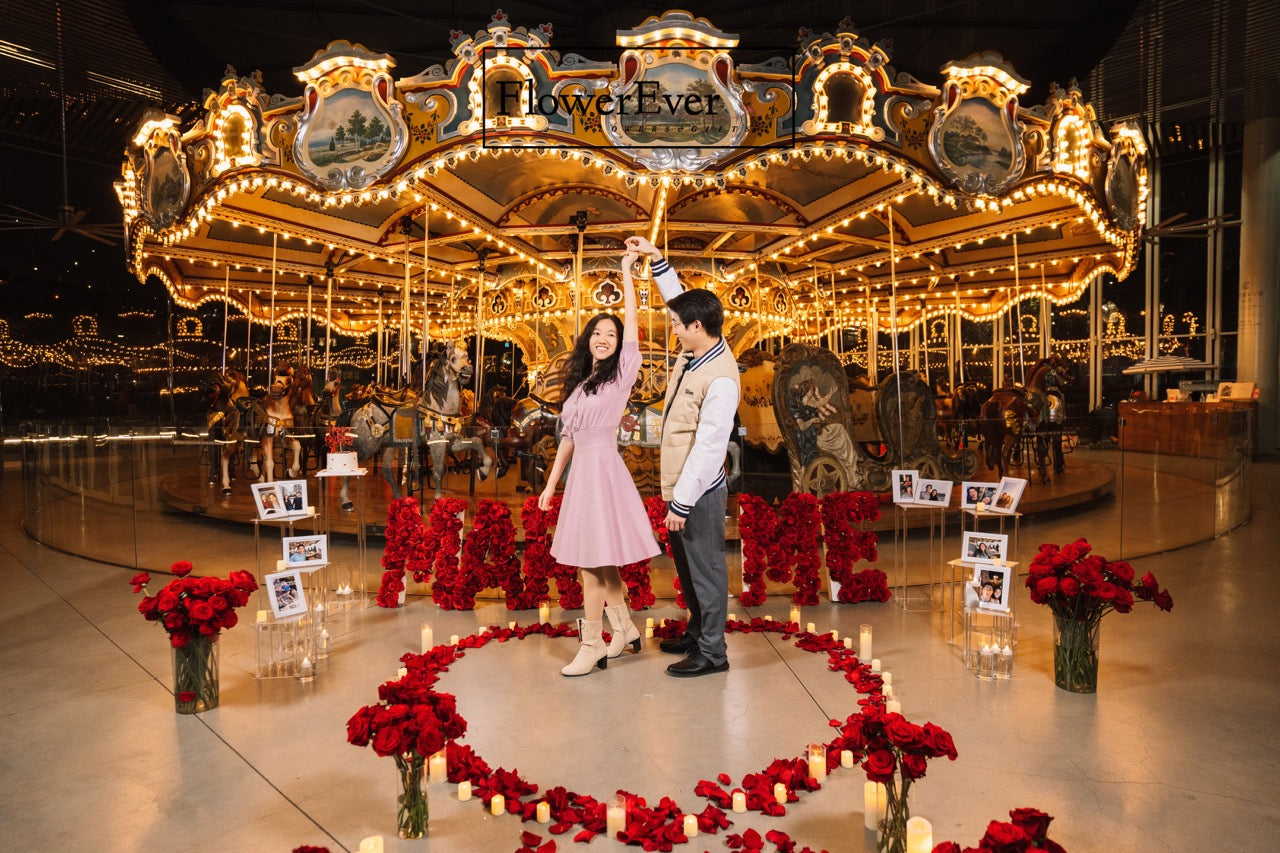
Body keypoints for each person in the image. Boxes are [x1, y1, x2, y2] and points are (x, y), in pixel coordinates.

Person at [539, 251, 661, 677]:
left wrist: (627, 273)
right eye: (598, 332)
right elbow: (568, 437)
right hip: (581, 477)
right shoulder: (581, 384)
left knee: (590, 562)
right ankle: (624, 628)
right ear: (588, 338)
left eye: (611, 333)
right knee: (602, 561)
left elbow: (631, 319)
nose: (604, 338)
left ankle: (591, 645)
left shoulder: (622, 373)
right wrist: (552, 483)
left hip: (604, 470)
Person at [627, 235, 740, 678]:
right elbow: (680, 301)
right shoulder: (697, 346)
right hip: (681, 487)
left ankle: (713, 653)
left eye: (677, 325)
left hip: (699, 491)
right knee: (689, 570)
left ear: (697, 327)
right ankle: (698, 633)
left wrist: (682, 502)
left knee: (707, 570)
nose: (673, 328)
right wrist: (657, 261)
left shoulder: (721, 376)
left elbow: (710, 448)